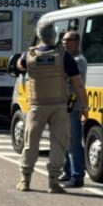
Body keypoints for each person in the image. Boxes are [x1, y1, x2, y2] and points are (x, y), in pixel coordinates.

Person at [15, 20, 88, 193]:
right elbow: (78, 84)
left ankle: (25, 180)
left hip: (36, 107)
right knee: (58, 144)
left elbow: (18, 65)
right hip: (59, 107)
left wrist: (29, 51)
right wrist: (84, 106)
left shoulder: (29, 56)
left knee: (30, 144)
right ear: (54, 36)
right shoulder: (64, 56)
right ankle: (53, 182)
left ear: (39, 36)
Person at [59, 30, 87, 187]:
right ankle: (67, 171)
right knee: (65, 140)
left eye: (68, 40)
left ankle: (77, 176)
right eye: (63, 40)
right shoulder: (67, 58)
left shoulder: (79, 60)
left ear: (77, 41)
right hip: (64, 104)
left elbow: (76, 83)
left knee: (74, 142)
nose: (65, 42)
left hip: (73, 105)